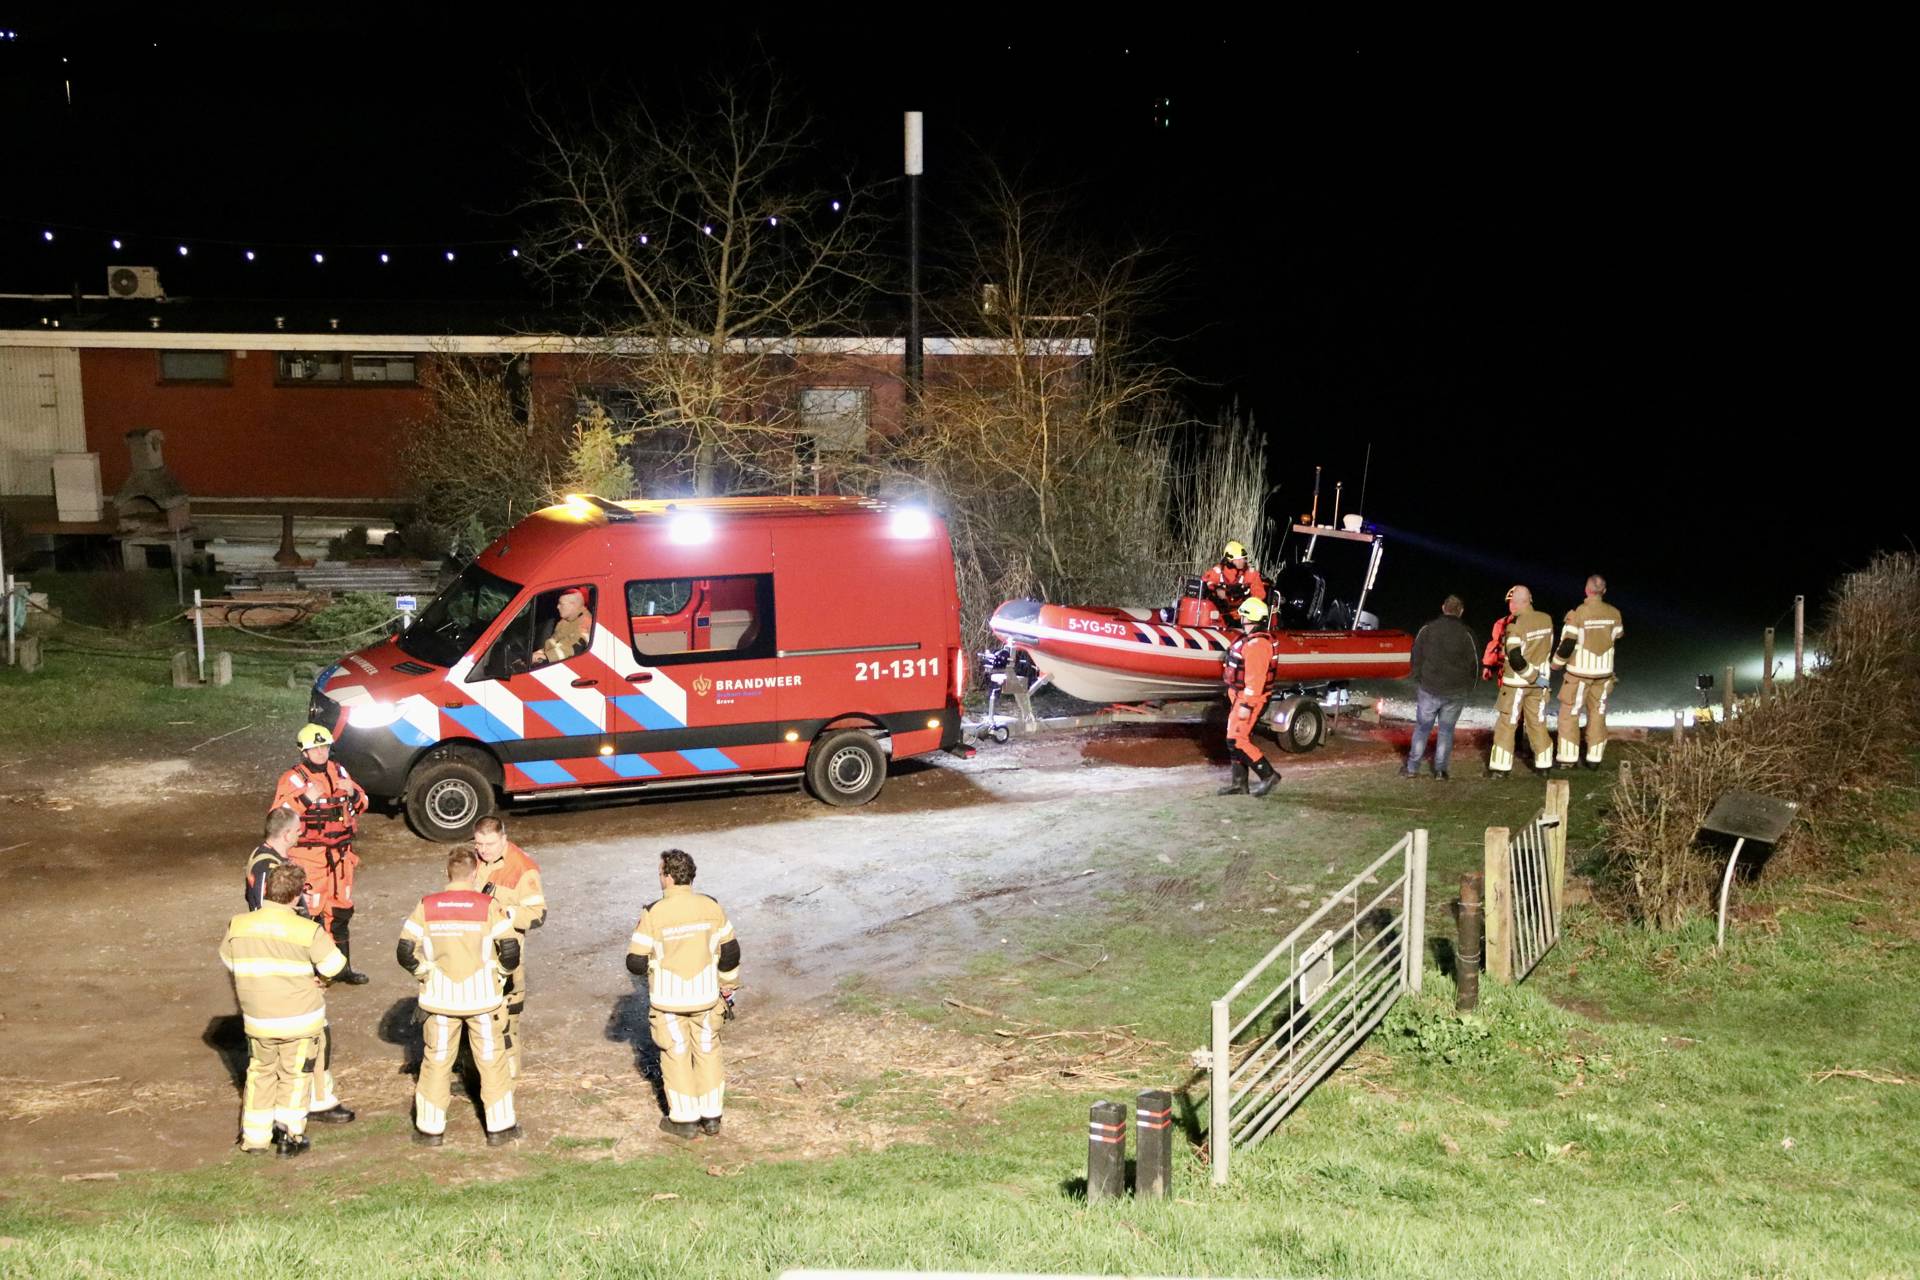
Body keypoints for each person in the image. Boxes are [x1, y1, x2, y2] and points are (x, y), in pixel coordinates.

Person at [219, 863, 348, 1157]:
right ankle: (290, 1136)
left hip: (258, 1020)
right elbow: (335, 966)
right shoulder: (307, 930)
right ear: (297, 895)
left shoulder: (238, 924)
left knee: (259, 1073)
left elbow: (229, 960)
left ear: (267, 889)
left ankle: (254, 1139)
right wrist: (322, 980)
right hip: (300, 1019)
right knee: (295, 1076)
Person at [397, 845, 522, 1147]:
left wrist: (424, 973)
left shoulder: (426, 906)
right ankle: (500, 1127)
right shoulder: (487, 905)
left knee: (437, 1061)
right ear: (476, 872)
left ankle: (430, 1129)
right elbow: (510, 949)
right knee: (492, 1059)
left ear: (447, 872)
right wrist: (500, 976)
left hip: (439, 1000)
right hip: (483, 999)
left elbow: (404, 951)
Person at [626, 849, 740, 1139]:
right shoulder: (711, 906)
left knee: (675, 1054)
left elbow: (635, 962)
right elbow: (730, 952)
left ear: (667, 877)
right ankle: (712, 1116)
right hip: (707, 997)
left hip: (669, 1001)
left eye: (659, 872)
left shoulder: (653, 912)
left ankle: (685, 1120)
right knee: (707, 1050)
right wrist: (728, 984)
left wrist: (655, 964)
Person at [271, 723, 370, 984]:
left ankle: (341, 969)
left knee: (340, 912)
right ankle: (311, 973)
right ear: (303, 751)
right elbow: (277, 817)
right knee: (310, 915)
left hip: (341, 857)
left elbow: (362, 803)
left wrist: (354, 792)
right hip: (309, 858)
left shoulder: (339, 771)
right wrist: (305, 799)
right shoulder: (292, 779)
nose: (320, 752)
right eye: (315, 748)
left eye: (324, 747)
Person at [473, 816, 546, 1083]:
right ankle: (477, 1075)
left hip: (506, 957)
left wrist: (501, 912)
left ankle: (507, 1079)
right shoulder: (475, 859)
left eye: (490, 844)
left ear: (504, 838)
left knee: (506, 1023)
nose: (484, 850)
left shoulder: (523, 868)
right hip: (475, 955)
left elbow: (537, 914)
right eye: (479, 843)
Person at [1402, 594, 1480, 780]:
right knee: (1446, 731)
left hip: (1429, 687)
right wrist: (1471, 686)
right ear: (1460, 612)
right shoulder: (1466, 634)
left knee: (1422, 728)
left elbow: (1416, 655)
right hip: (1455, 691)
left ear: (1443, 608)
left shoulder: (1428, 629)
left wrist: (1419, 678)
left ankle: (1412, 768)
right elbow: (1475, 663)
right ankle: (1440, 770)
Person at [1553, 574, 1626, 769]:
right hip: (1603, 674)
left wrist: (1556, 663)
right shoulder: (1614, 613)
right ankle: (1595, 758)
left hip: (1579, 674)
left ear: (1586, 590)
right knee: (1598, 713)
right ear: (1604, 591)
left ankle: (1568, 759)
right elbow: (1617, 635)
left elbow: (1568, 643)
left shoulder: (1578, 613)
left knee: (1570, 713)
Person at [1216, 596, 1281, 797]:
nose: (1240, 618)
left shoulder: (1258, 645)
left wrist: (1246, 704)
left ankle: (1269, 775)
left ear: (1249, 617)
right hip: (1240, 697)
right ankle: (1239, 784)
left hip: (1249, 699)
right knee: (1235, 739)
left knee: (1236, 740)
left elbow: (1255, 681)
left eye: (1243, 615)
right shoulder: (1250, 639)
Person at [1488, 586, 1556, 779]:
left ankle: (1500, 768)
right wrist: (1538, 678)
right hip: (1540, 684)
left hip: (1517, 683)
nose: (1510, 606)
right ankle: (1544, 765)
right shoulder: (1546, 619)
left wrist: (1532, 675)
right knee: (1537, 722)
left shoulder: (1515, 625)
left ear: (1518, 602)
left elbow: (1516, 658)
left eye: (1511, 602)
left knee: (1507, 724)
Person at [246, 806, 317, 917]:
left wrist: (299, 896)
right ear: (287, 835)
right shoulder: (266, 866)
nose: (300, 833)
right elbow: (262, 909)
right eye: (297, 830)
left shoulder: (263, 854)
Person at [1200, 541, 1269, 622]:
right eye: (1239, 559)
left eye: (1244, 558)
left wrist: (1249, 605)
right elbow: (1206, 581)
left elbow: (1259, 594)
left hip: (1242, 615)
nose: (1243, 561)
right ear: (1229, 560)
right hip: (1219, 614)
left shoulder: (1251, 574)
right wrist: (1217, 589)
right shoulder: (1218, 571)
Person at [532, 588, 592, 665]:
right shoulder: (565, 621)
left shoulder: (586, 622)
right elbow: (552, 643)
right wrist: (537, 654)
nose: (557, 607)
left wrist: (546, 657)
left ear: (573, 605)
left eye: (561, 604)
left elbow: (572, 648)